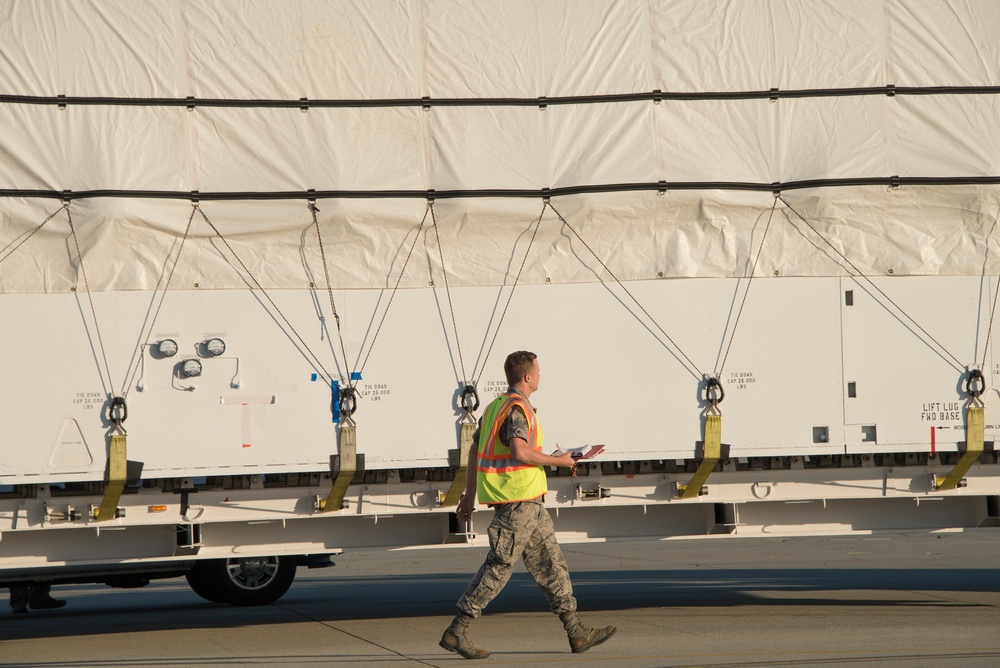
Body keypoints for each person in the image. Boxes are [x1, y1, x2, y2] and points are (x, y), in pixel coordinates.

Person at [439, 350, 616, 659]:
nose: (541, 375)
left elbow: (473, 451)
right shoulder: (517, 409)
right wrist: (559, 461)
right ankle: (457, 630)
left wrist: (468, 495)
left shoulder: (495, 407)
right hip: (516, 504)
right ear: (527, 377)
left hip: (529, 504)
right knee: (499, 567)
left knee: (551, 563)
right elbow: (520, 452)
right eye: (538, 370)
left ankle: (576, 633)